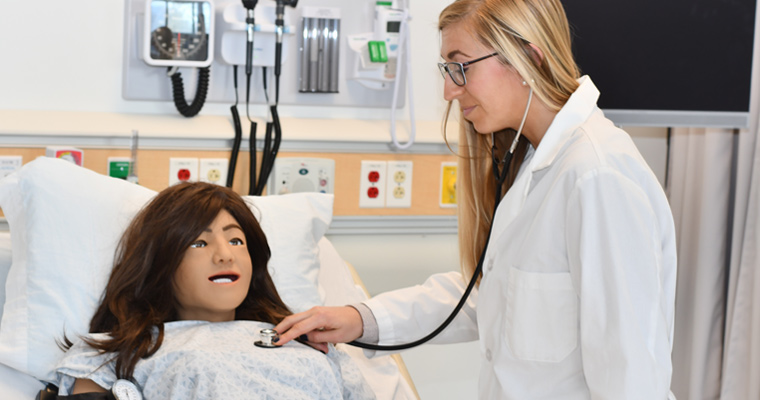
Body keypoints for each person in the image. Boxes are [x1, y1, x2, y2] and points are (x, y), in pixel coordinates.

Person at [274, 0, 677, 398]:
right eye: (447, 71)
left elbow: (631, 375)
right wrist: (359, 319)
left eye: (460, 67)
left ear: (528, 58)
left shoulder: (597, 175)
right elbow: (492, 296)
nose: (449, 90)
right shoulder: (534, 164)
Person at [51, 182, 374, 399]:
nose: (224, 254)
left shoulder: (314, 345)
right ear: (161, 264)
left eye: (236, 240)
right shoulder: (118, 353)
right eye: (199, 242)